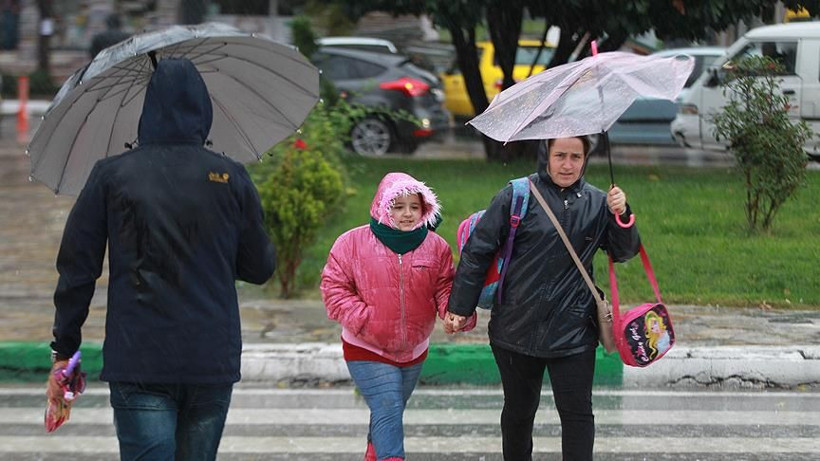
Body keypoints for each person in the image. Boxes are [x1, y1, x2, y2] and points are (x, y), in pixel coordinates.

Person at [46, 58, 276, 460]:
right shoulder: (229, 176)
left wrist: (65, 349)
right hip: (210, 358)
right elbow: (260, 268)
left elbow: (77, 269)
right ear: (203, 109)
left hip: (140, 358)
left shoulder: (111, 175)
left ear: (147, 110)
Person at [445, 136, 640, 461]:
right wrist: (459, 307)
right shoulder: (516, 195)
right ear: (545, 155)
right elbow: (478, 252)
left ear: (585, 159)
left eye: (575, 156)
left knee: (578, 416)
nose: (567, 164)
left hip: (575, 331)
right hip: (515, 330)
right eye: (560, 155)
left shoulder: (597, 201)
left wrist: (622, 214)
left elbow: (623, 252)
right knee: (519, 414)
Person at [320, 172, 476, 461]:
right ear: (382, 206)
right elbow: (333, 288)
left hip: (414, 349)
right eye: (398, 206)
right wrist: (364, 319)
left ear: (424, 209)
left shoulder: (436, 246)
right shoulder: (351, 243)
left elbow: (444, 286)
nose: (407, 214)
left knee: (387, 410)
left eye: (414, 207)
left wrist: (453, 312)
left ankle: (374, 453)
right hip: (365, 346)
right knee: (388, 404)